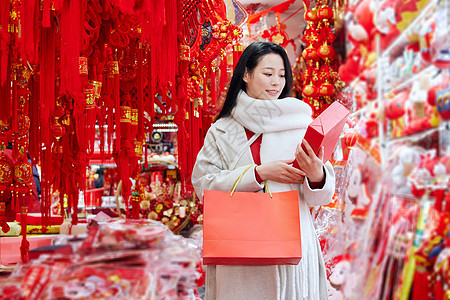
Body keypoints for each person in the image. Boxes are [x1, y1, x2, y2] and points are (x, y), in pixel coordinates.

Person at [191, 41, 335, 300]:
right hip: (239, 248)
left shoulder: (301, 124)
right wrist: (258, 174)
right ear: (246, 74)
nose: (276, 83)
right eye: (268, 74)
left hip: (293, 249)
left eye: (281, 75)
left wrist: (317, 176)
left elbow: (321, 197)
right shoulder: (223, 129)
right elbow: (203, 184)